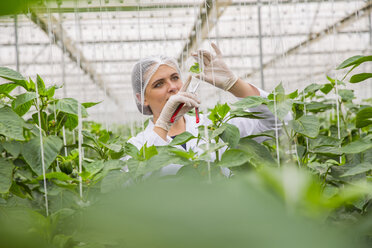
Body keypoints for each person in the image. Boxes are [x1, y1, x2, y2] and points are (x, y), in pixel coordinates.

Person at [127, 43, 289, 175]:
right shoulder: (137, 145)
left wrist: (234, 85)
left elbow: (280, 122)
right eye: (159, 84)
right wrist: (163, 125)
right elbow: (133, 181)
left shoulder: (215, 127)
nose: (172, 87)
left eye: (175, 78)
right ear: (142, 99)